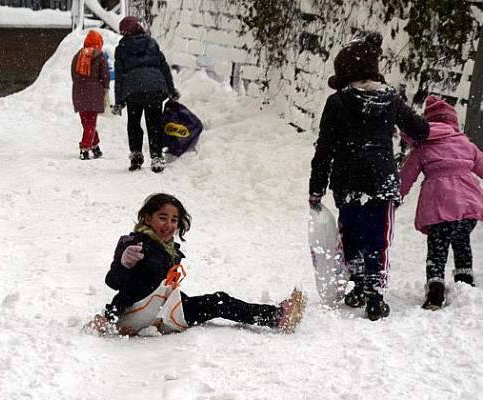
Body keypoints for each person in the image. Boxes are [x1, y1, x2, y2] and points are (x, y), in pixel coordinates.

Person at [308, 32, 430, 321]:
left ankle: (358, 285)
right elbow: (420, 130)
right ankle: (375, 295)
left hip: (348, 181)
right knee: (378, 238)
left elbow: (324, 148)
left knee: (351, 233)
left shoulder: (336, 103)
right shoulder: (391, 100)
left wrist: (316, 188)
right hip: (381, 180)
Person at [86, 193, 305, 336]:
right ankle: (277, 317)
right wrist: (123, 267)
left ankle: (275, 315)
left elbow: (158, 285)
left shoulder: (168, 248)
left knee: (211, 301)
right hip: (139, 313)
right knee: (219, 302)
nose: (169, 225)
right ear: (147, 218)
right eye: (163, 217)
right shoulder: (135, 244)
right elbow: (116, 283)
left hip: (157, 307)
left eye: (174, 220)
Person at [400, 95, 483, 309]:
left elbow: (406, 176)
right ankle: (465, 282)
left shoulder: (423, 147)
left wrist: (394, 197)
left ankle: (435, 290)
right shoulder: (465, 143)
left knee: (437, 248)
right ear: (453, 122)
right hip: (468, 205)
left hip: (439, 206)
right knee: (462, 241)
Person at [112, 16, 180, 173]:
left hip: (133, 91)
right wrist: (171, 89)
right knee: (154, 123)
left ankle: (136, 155)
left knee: (134, 123)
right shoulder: (151, 43)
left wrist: (119, 101)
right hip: (154, 89)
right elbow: (164, 68)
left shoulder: (122, 48)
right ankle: (156, 157)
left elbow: (120, 76)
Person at [71, 30, 110, 160]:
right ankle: (85, 148)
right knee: (91, 122)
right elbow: (105, 74)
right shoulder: (100, 55)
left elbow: (73, 73)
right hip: (94, 92)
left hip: (79, 91)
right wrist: (105, 87)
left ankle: (95, 146)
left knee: (86, 121)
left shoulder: (78, 55)